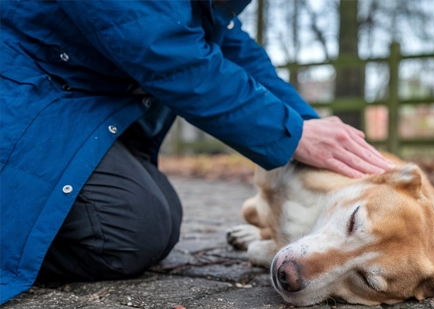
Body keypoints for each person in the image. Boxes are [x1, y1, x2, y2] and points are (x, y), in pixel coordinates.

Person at [0, 0, 392, 304]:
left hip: (69, 97)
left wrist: (311, 127)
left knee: (160, 219)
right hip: (25, 87)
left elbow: (235, 50)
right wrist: (293, 133)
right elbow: (159, 42)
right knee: (126, 232)